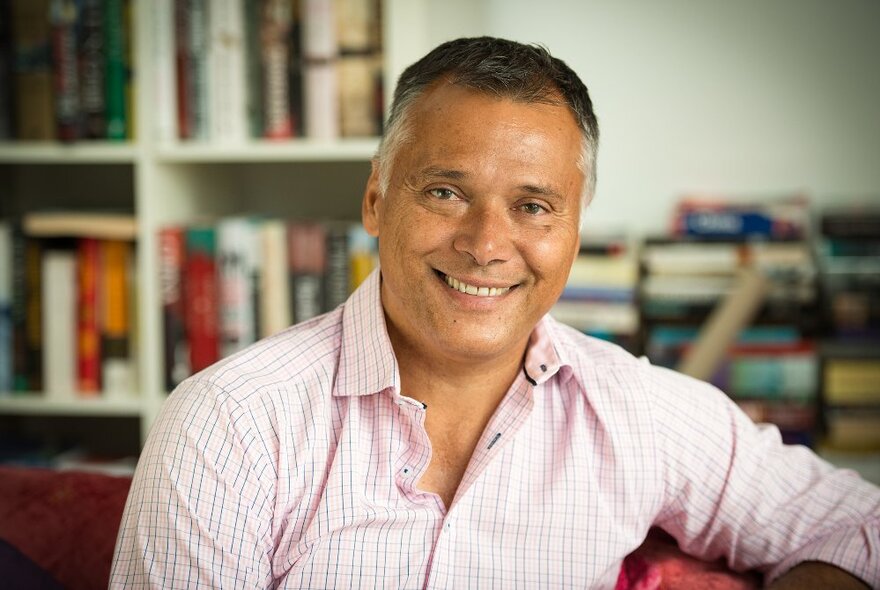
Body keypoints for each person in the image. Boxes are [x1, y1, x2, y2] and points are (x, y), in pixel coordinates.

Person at [111, 37, 879, 589]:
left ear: (574, 230)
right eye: (445, 192)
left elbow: (857, 526)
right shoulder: (232, 424)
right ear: (377, 198)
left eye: (533, 206)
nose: (486, 244)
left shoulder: (637, 413)